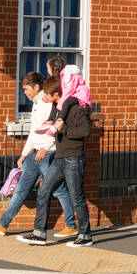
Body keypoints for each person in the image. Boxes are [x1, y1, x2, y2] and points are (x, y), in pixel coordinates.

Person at [0, 72, 77, 237]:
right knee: (20, 190)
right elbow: (33, 132)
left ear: (36, 87)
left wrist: (46, 147)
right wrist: (24, 154)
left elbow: (54, 127)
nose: (24, 93)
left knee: (58, 190)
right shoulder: (36, 103)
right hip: (34, 156)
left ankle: (71, 225)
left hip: (47, 155)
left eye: (27, 89)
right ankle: (2, 224)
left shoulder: (47, 103)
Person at [17, 71, 95, 247]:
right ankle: (39, 234)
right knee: (43, 192)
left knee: (77, 197)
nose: (44, 96)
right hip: (60, 158)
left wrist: (62, 130)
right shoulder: (58, 109)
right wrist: (49, 127)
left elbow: (85, 131)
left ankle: (85, 235)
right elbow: (51, 125)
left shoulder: (77, 109)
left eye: (47, 94)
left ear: (57, 94)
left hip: (73, 159)